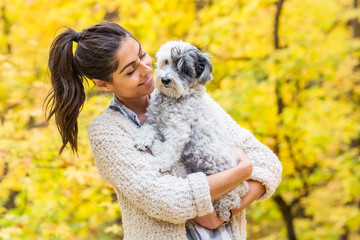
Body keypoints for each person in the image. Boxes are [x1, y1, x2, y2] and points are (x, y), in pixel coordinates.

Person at [45, 22, 282, 240]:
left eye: (142, 55)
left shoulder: (190, 96)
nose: (147, 69)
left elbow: (267, 163)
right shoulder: (107, 132)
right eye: (130, 71)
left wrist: (225, 211)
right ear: (103, 84)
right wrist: (242, 170)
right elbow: (167, 200)